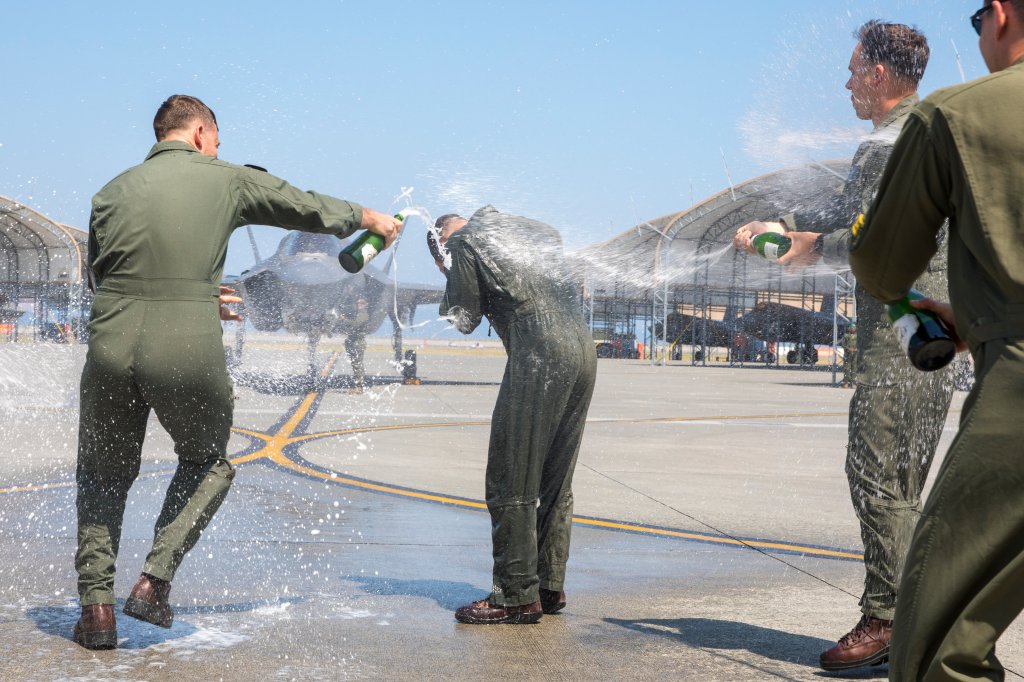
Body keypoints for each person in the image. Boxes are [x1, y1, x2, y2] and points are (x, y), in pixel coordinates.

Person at [72, 94, 402, 650]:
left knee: (102, 476)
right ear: (201, 132)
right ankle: (153, 581)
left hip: (109, 341)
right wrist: (369, 219)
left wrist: (195, 290)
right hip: (186, 346)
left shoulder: (110, 191)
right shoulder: (224, 178)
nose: (218, 149)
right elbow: (298, 205)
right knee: (206, 463)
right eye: (218, 141)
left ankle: (97, 611)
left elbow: (101, 282)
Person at [734, 21, 955, 672]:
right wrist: (796, 233)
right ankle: (919, 621)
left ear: (881, 74)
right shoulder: (922, 132)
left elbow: (867, 227)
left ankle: (888, 618)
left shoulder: (891, 141)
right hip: (933, 323)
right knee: (906, 480)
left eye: (855, 68)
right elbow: (860, 213)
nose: (848, 81)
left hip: (903, 321)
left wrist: (796, 243)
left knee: (878, 472)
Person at [850, 2, 1024, 678]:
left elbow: (882, 265)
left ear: (1002, 15)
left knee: (937, 644)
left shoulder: (953, 116)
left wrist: (948, 311)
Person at [431, 206, 597, 624]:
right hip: (582, 352)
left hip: (540, 356)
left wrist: (452, 278)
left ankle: (514, 594)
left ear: (442, 243)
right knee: (556, 478)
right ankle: (547, 585)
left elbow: (464, 318)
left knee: (510, 473)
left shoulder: (463, 242)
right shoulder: (539, 230)